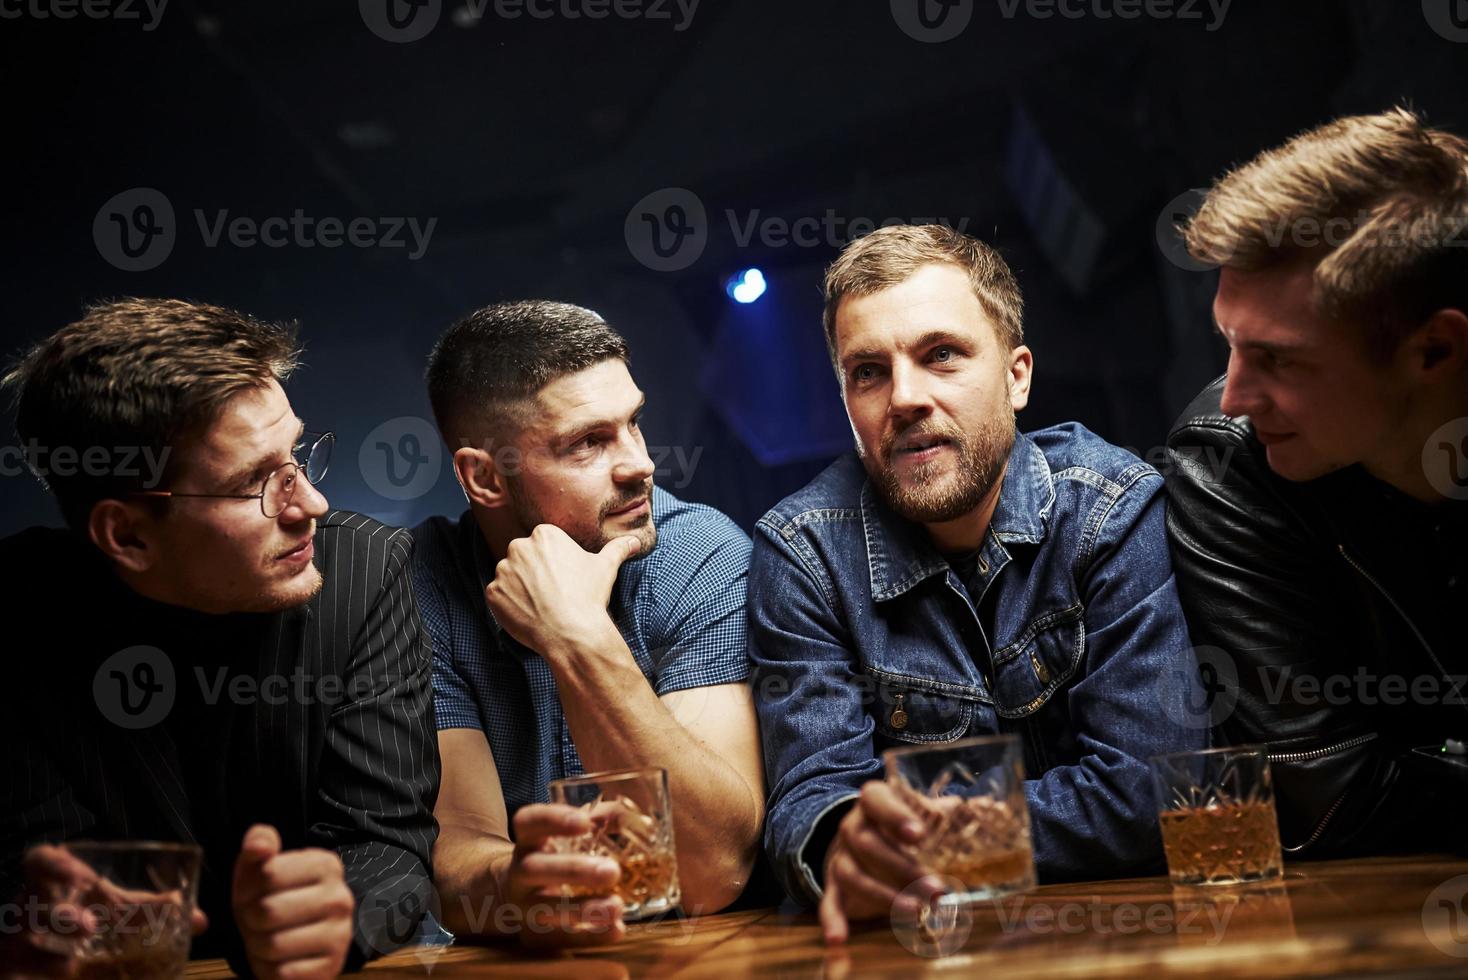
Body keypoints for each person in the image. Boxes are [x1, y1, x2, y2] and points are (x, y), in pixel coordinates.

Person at [749, 225, 1207, 943]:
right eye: (867, 371)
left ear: (1017, 375)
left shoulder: (1111, 505)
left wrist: (911, 839)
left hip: (1122, 945)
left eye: (941, 356)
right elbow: (813, 803)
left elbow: (1151, 792)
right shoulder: (802, 550)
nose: (904, 397)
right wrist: (843, 842)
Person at [0, 298, 440, 979]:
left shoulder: (365, 572)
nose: (310, 505)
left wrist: (336, 918)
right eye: (253, 482)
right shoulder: (16, 617)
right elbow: (40, 870)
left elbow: (386, 842)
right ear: (128, 535)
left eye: (295, 455)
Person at [412, 300, 764, 945]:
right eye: (587, 443)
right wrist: (511, 879)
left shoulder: (702, 556)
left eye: (634, 423)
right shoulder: (422, 586)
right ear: (484, 477)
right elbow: (457, 849)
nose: (639, 464)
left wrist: (576, 635)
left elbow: (712, 871)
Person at [1166, 108, 1468, 856]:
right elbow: (1326, 797)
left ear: (1434, 350)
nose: (1234, 397)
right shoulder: (1228, 461)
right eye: (1229, 345)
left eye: (1281, 359)